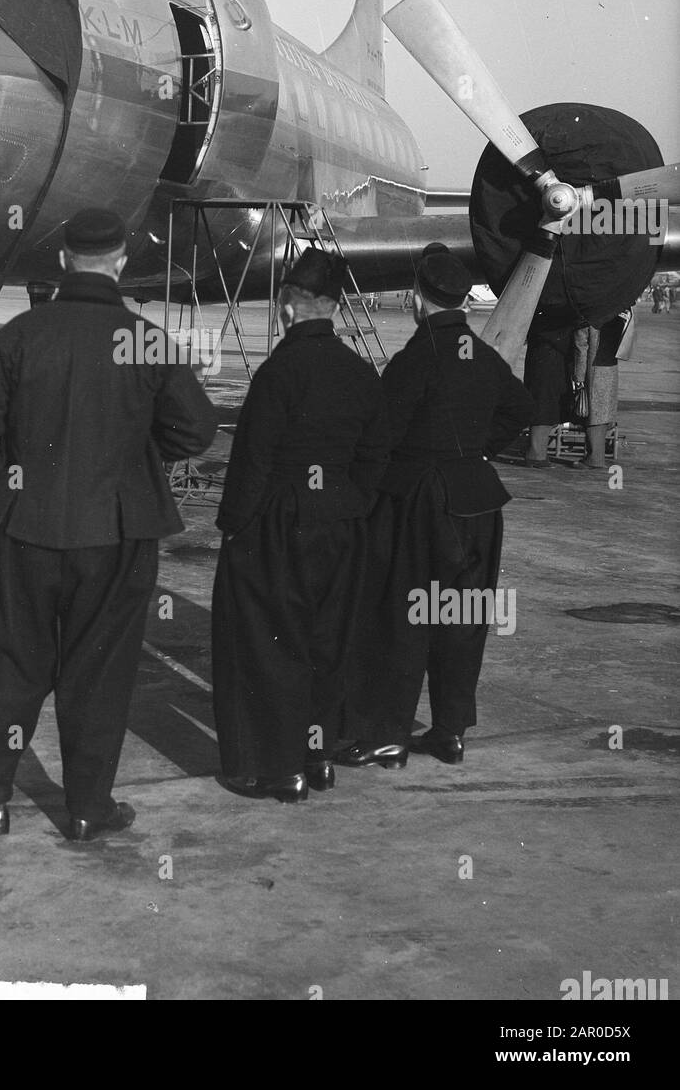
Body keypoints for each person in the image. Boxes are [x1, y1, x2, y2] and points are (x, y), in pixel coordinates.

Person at [0, 208, 218, 840]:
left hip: (20, 529)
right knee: (100, 670)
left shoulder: (20, 335)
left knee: (3, 663)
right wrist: (135, 455)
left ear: (62, 261)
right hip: (116, 535)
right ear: (120, 263)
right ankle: (89, 807)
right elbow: (197, 429)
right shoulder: (145, 339)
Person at [339, 244, 534, 770]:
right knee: (464, 617)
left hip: (422, 503)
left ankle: (388, 735)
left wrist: (367, 492)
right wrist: (479, 450)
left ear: (418, 298)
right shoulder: (483, 355)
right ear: (462, 299)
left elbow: (380, 436)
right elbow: (523, 407)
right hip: (479, 502)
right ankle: (449, 731)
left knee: (403, 616)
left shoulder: (415, 358)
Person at [211, 249, 390, 802]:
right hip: (341, 520)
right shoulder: (361, 372)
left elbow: (253, 459)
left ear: (288, 309)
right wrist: (350, 500)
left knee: (271, 645)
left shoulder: (278, 372)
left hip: (279, 523)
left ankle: (280, 767)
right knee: (328, 642)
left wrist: (235, 526)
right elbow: (376, 453)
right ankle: (319, 757)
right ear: (333, 308)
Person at [571, 310, 631, 470]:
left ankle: (594, 458)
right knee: (604, 412)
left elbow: (581, 348)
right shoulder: (619, 311)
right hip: (610, 366)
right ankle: (597, 455)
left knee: (594, 413)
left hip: (593, 368)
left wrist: (578, 377)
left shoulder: (588, 316)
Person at [522, 315, 575, 467]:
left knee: (544, 403)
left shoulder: (543, 306)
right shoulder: (556, 311)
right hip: (551, 358)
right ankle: (536, 454)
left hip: (543, 355)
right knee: (546, 405)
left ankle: (537, 451)